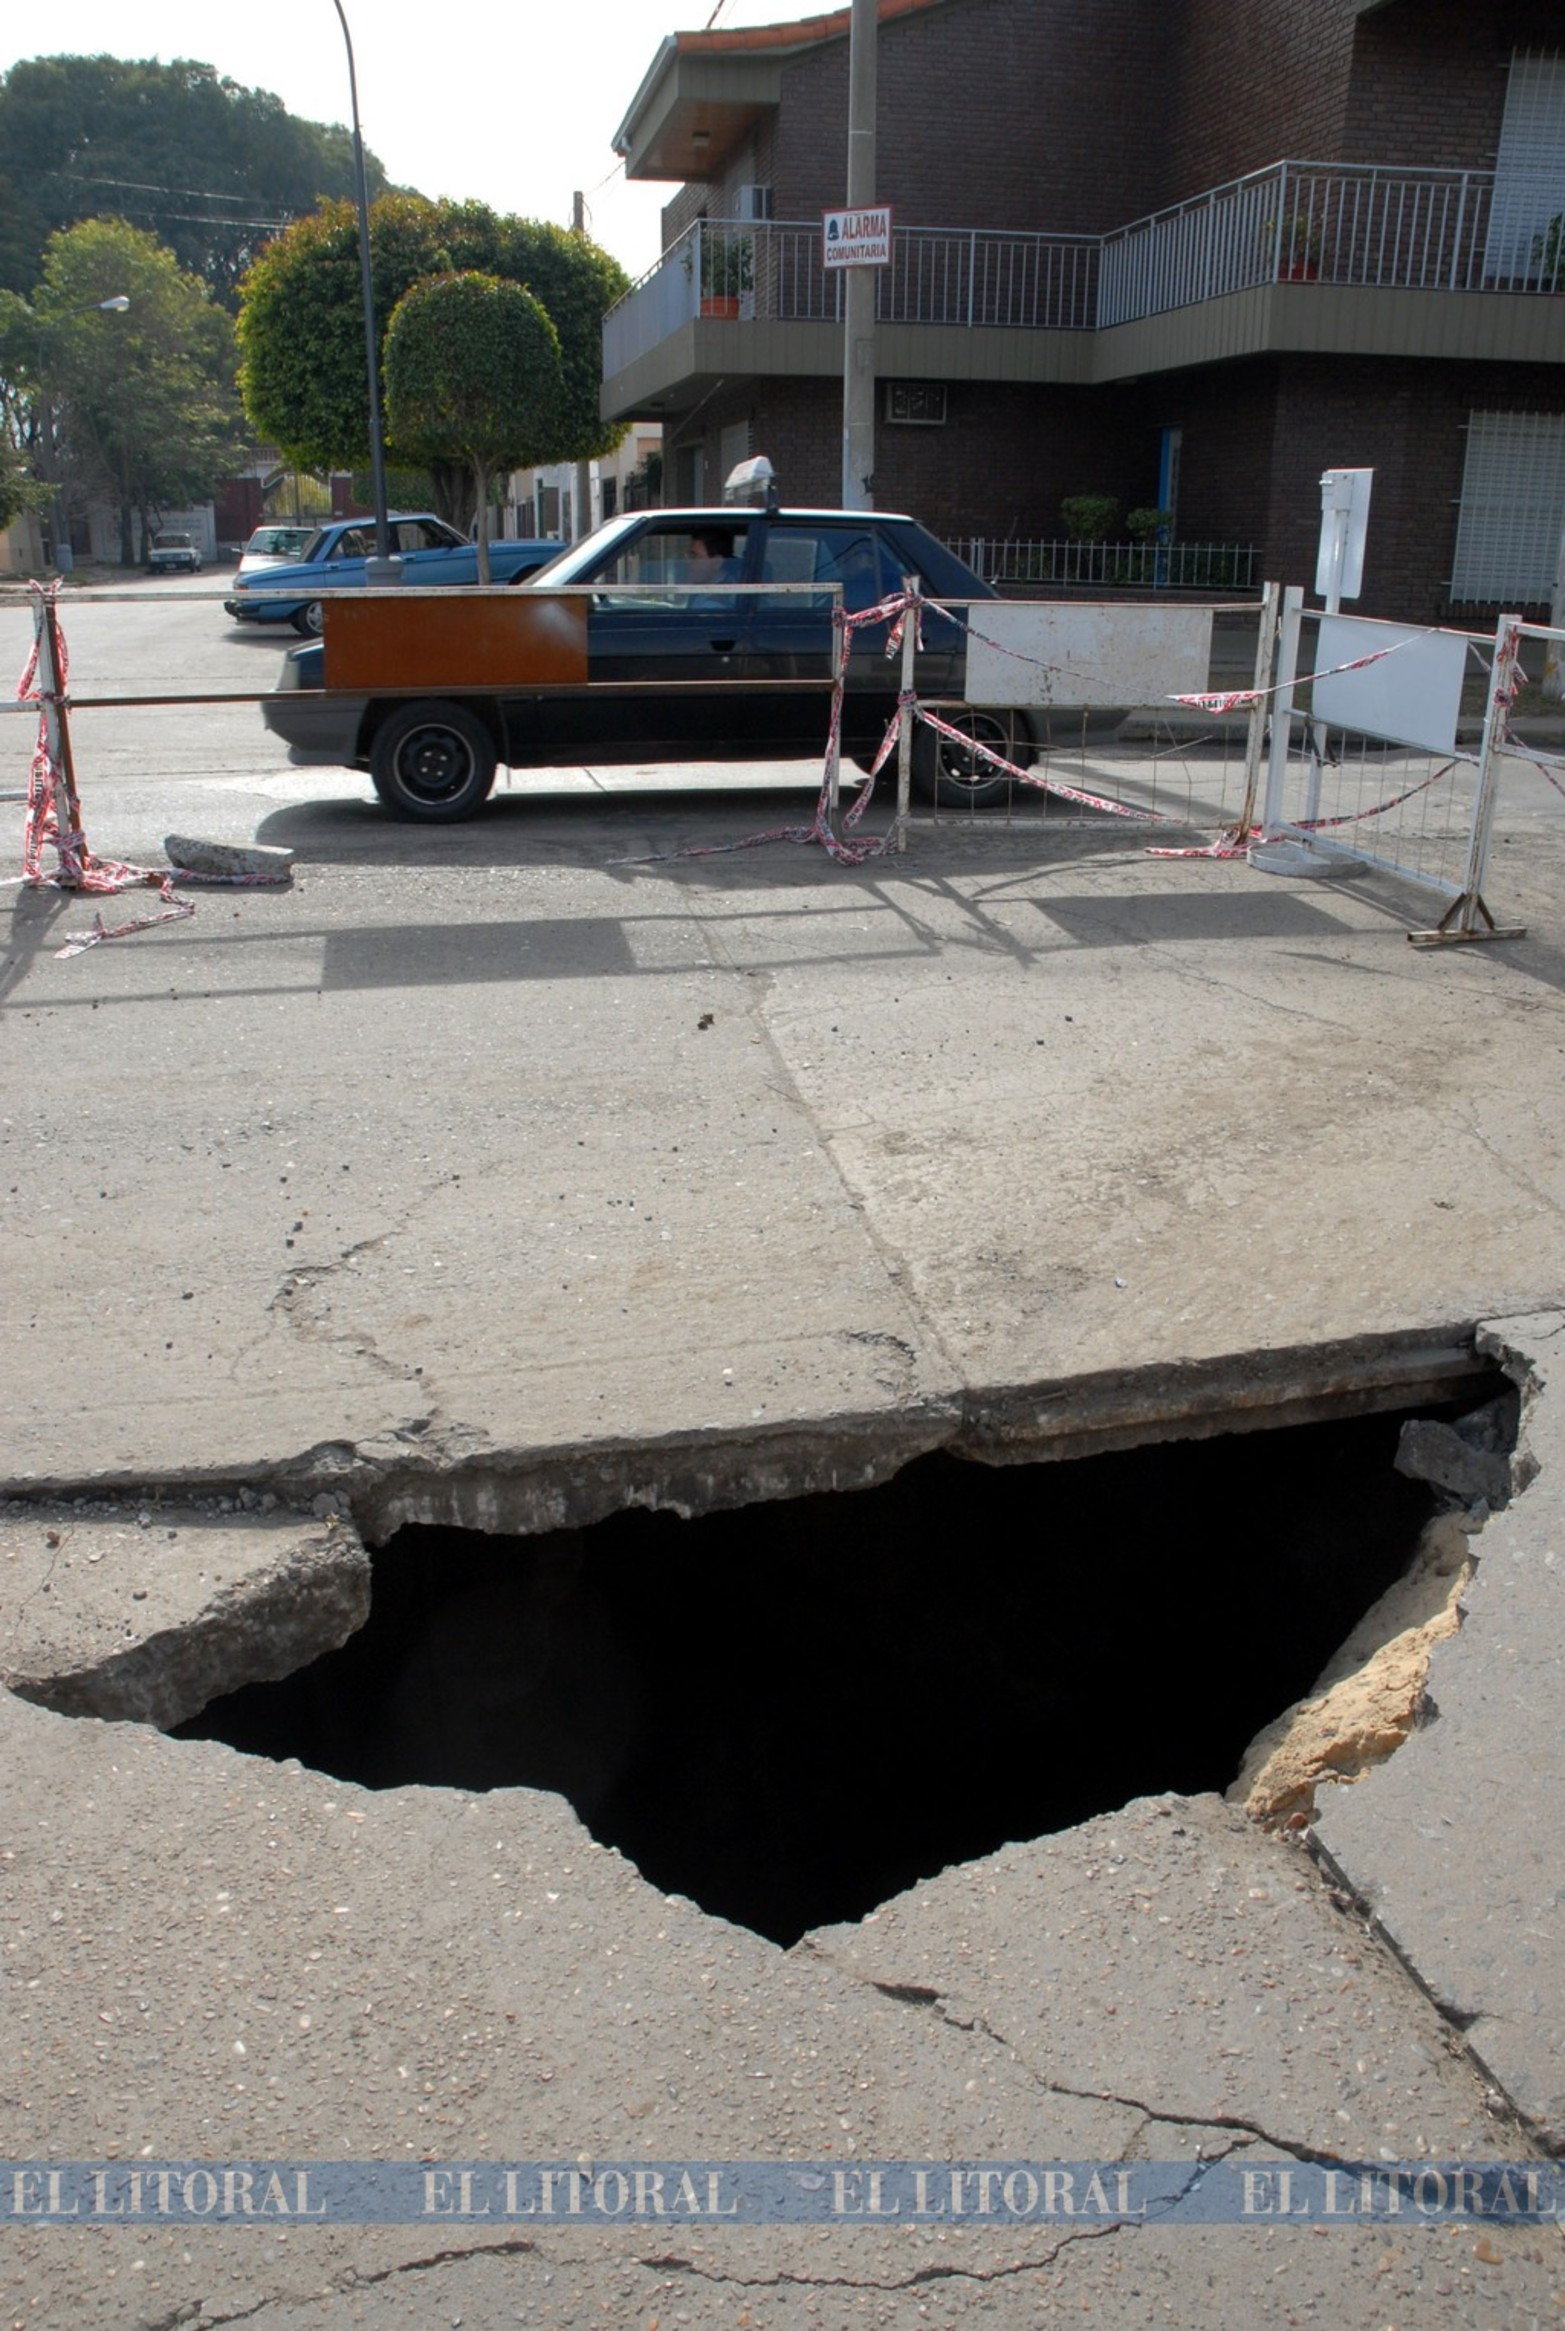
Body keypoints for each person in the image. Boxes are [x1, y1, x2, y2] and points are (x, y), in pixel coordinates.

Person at [683, 528, 742, 606]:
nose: (688, 562)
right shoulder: (705, 591)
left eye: (695, 556)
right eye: (690, 556)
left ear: (717, 562)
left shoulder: (713, 604)